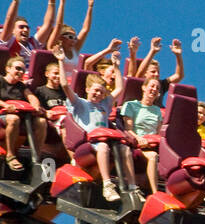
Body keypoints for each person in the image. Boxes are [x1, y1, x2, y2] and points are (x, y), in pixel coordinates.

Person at [58, 54, 114, 198]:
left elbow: (119, 88)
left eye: (101, 92)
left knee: (122, 149)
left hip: (101, 142)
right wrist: (60, 61)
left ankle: (130, 187)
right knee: (103, 146)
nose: (98, 94)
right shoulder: (80, 103)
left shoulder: (103, 106)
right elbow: (64, 85)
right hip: (86, 144)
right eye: (95, 90)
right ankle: (108, 185)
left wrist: (118, 67)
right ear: (87, 89)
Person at [0, 55, 45, 171]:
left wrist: (36, 107)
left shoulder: (21, 86)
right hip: (4, 114)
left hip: (20, 115)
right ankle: (10, 155)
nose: (20, 72)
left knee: (41, 121)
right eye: (17, 68)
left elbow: (32, 97)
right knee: (13, 119)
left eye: (23, 70)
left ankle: (36, 159)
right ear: (8, 68)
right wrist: (6, 106)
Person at [120, 76, 162, 192]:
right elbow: (127, 129)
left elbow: (158, 133)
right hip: (135, 143)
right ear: (144, 88)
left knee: (155, 155)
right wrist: (139, 139)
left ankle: (158, 192)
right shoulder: (131, 105)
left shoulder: (157, 111)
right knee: (152, 155)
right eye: (152, 86)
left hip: (150, 145)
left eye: (157, 88)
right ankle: (151, 191)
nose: (154, 89)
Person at [1, 1, 57, 74]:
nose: (25, 30)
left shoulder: (33, 43)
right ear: (12, 30)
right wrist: (16, 2)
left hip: (30, 81)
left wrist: (52, 3)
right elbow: (9, 19)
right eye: (21, 27)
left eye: (27, 28)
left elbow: (49, 24)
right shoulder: (9, 42)